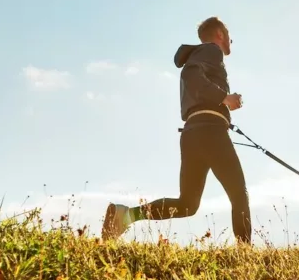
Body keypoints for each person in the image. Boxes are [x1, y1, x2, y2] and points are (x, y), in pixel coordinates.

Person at [101, 16, 252, 244]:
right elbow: (191, 75)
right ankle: (245, 255)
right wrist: (225, 98)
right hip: (210, 131)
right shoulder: (212, 50)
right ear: (220, 34)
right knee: (239, 194)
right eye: (229, 34)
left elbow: (193, 78)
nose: (231, 40)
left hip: (193, 133)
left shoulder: (200, 54)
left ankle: (126, 215)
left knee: (188, 204)